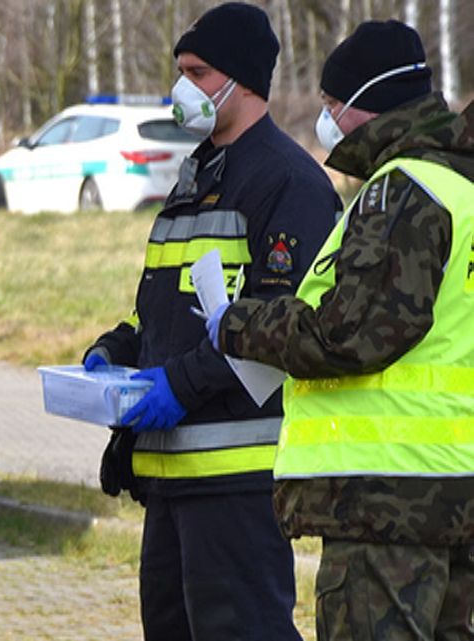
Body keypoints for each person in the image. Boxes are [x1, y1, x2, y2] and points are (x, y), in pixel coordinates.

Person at [81, 3, 341, 639]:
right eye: (181, 72)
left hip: (236, 488)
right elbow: (165, 315)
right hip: (169, 484)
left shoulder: (289, 184)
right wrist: (115, 353)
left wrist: (179, 387)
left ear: (242, 81)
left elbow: (275, 327)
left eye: (196, 72)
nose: (182, 88)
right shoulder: (193, 180)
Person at [208, 20, 474, 640]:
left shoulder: (403, 190)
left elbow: (350, 333)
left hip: (388, 501)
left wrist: (236, 322)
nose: (326, 120)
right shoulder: (460, 185)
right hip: (451, 489)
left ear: (367, 104)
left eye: (332, 105)